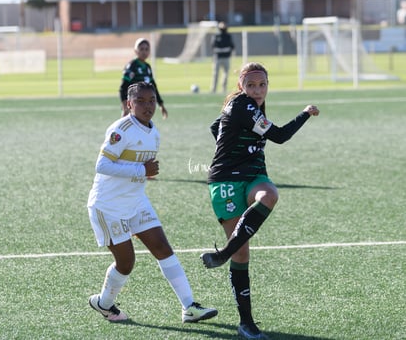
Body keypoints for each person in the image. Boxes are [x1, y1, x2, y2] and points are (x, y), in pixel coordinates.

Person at [200, 62, 320, 339]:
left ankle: (222, 253)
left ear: (267, 85)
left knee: (270, 195)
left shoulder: (248, 106)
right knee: (242, 254)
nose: (257, 90)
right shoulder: (243, 105)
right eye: (251, 85)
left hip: (253, 173)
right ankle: (246, 323)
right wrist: (305, 113)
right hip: (226, 180)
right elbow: (279, 136)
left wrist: (233, 143)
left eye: (262, 85)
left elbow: (215, 126)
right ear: (241, 85)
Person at [88, 81, 217, 323]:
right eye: (141, 101)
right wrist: (141, 169)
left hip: (136, 202)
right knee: (126, 264)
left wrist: (141, 172)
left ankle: (189, 306)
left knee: (162, 248)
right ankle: (104, 304)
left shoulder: (154, 131)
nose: (148, 106)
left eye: (152, 101)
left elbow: (139, 170)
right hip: (109, 206)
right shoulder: (121, 129)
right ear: (129, 104)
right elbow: (101, 165)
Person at [119, 38, 168, 119]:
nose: (144, 52)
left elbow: (153, 87)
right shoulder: (132, 66)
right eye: (141, 49)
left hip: (145, 104)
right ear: (136, 50)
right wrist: (125, 103)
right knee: (128, 126)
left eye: (146, 49)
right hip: (133, 103)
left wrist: (161, 104)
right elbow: (123, 86)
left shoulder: (148, 67)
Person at [210, 22, 235, 94]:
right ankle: (213, 89)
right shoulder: (216, 36)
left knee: (225, 74)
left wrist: (227, 50)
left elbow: (232, 46)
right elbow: (213, 46)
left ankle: (224, 89)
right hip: (218, 57)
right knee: (215, 74)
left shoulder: (228, 36)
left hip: (226, 57)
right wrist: (224, 49)